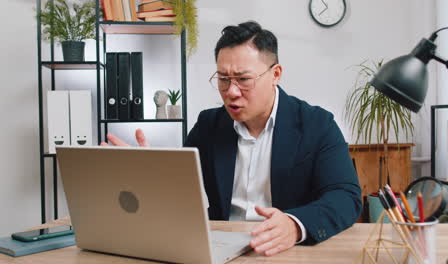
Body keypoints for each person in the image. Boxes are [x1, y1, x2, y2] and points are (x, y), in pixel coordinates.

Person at [101, 21, 362, 256]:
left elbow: (345, 196)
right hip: (219, 250)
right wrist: (147, 170)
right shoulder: (209, 125)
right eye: (223, 79)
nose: (231, 92)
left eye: (243, 79)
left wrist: (295, 225)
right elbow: (181, 189)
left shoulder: (316, 124)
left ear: (276, 74)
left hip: (285, 251)